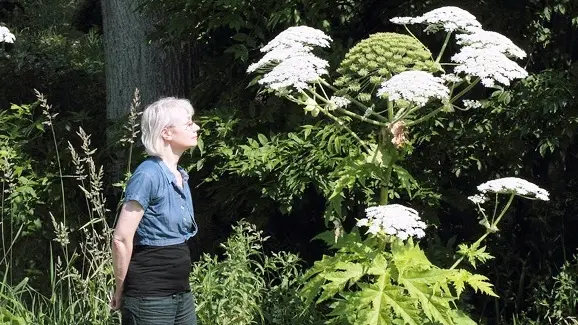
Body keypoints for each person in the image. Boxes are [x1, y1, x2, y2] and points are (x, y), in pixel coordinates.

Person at [110, 97, 200, 325]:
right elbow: (121, 238)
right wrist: (120, 289)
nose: (196, 127)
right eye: (188, 124)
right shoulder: (147, 175)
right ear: (166, 133)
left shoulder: (180, 175)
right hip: (149, 297)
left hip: (181, 293)